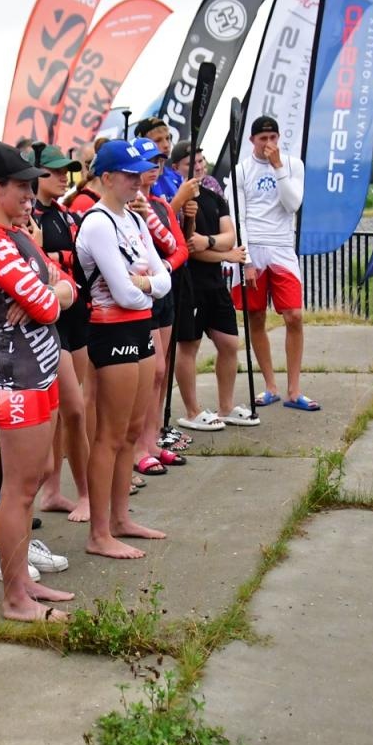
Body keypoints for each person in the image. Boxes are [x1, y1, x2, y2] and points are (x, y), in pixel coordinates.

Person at [0, 142, 76, 620]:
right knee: (20, 490)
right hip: (17, 378)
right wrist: (49, 297)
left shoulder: (16, 234)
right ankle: (14, 597)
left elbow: (65, 286)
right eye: (23, 186)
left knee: (37, 474)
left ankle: (24, 579)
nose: (32, 194)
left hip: (39, 369)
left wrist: (49, 295)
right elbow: (51, 304)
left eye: (34, 186)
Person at [76, 140, 172, 559]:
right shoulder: (97, 222)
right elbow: (123, 292)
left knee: (132, 432)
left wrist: (145, 284)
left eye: (140, 174)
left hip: (139, 328)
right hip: (110, 330)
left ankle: (120, 518)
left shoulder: (132, 218)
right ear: (107, 177)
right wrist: (146, 285)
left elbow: (164, 276)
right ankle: (99, 533)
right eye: (130, 174)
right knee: (110, 435)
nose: (137, 181)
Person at [169, 142, 256, 431]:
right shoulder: (176, 202)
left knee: (229, 343)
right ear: (177, 169)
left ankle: (226, 406)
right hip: (189, 284)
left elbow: (229, 236)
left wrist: (213, 244)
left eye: (200, 160)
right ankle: (192, 410)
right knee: (189, 346)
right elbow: (187, 248)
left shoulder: (214, 196)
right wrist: (224, 253)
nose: (198, 166)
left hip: (215, 283)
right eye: (189, 163)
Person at [29, 144, 95, 521]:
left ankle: (53, 491)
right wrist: (57, 262)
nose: (62, 177)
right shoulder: (31, 217)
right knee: (72, 409)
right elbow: (38, 263)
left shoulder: (65, 214)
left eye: (65, 172)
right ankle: (85, 493)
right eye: (54, 171)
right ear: (35, 174)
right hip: (52, 319)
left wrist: (57, 261)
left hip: (76, 315)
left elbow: (78, 262)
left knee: (69, 408)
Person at [233, 115, 313, 410]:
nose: (268, 144)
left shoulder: (293, 165)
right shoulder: (241, 171)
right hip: (254, 247)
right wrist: (247, 260)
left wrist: (278, 166)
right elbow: (238, 216)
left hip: (282, 247)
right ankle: (270, 385)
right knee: (255, 316)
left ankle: (294, 389)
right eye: (263, 138)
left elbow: (293, 204)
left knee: (293, 315)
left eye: (273, 138)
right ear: (252, 141)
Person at [131, 141, 189, 476]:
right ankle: (139, 445)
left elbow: (179, 248)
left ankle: (151, 442)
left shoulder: (160, 205)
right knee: (150, 371)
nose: (155, 167)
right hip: (141, 295)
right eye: (148, 161)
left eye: (160, 161)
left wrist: (165, 268)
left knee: (161, 372)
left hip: (163, 290)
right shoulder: (127, 207)